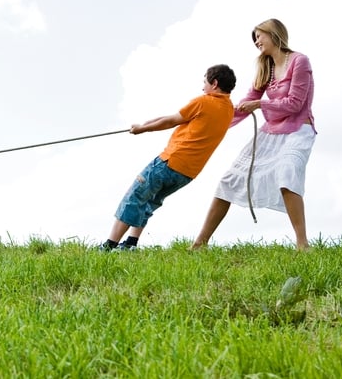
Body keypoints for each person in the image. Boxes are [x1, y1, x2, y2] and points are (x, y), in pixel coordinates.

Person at [191, 19, 316, 251]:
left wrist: (260, 104)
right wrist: (211, 123)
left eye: (260, 36)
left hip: (299, 128)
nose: (257, 41)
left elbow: (295, 104)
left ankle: (302, 244)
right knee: (229, 180)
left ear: (275, 34)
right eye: (255, 38)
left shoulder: (299, 61)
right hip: (271, 132)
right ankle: (199, 244)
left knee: (288, 172)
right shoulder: (265, 68)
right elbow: (245, 104)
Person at [99, 64, 237, 251]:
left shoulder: (204, 101)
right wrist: (144, 124)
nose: (202, 87)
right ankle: (130, 244)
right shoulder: (229, 109)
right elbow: (175, 117)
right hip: (187, 173)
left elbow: (171, 121)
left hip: (169, 162)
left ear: (214, 83)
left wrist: (143, 129)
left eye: (204, 82)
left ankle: (108, 247)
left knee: (135, 197)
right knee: (149, 202)